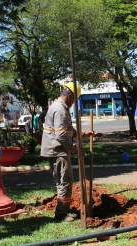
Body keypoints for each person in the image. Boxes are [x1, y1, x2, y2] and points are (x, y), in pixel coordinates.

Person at [41, 82, 94, 222]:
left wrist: (82, 134)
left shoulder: (60, 107)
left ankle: (62, 209)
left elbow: (67, 130)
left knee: (64, 180)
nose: (74, 103)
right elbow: (61, 135)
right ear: (70, 96)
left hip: (58, 149)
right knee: (65, 180)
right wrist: (74, 149)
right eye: (74, 100)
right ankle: (61, 213)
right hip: (58, 150)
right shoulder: (60, 110)